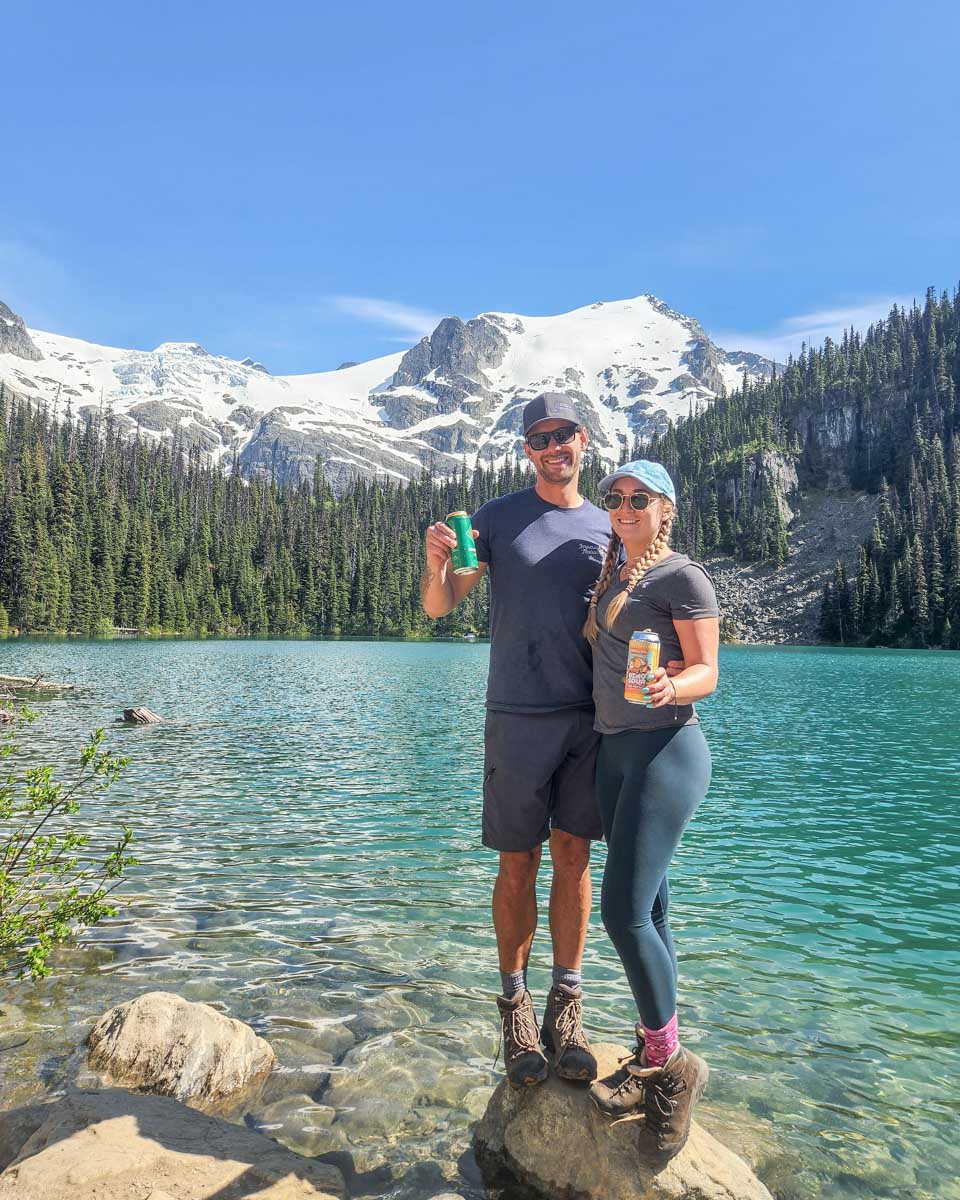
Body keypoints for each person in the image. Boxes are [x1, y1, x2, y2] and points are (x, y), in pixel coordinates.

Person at [421, 392, 611, 1089]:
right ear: (527, 451)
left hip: (587, 718)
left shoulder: (606, 523)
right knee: (516, 866)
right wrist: (435, 560)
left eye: (563, 435)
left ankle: (567, 1007)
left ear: (583, 441)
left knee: (574, 856)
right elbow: (442, 604)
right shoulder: (498, 518)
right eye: (539, 439)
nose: (552, 447)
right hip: (516, 714)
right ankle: (515, 1010)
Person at [584, 460, 719, 1164]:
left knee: (622, 913)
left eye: (641, 498)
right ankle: (651, 1046)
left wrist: (674, 685)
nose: (626, 506)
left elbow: (708, 669)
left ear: (666, 508)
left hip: (667, 749)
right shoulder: (612, 572)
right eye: (617, 498)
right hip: (615, 753)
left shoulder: (682, 576)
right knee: (654, 911)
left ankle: (673, 1068)